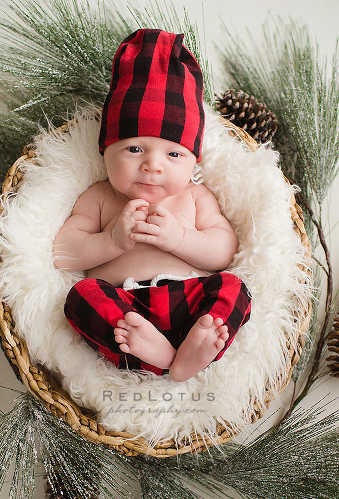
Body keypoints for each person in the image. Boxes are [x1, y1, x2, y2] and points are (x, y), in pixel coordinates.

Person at [54, 28, 251, 382]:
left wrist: (180, 239)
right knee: (80, 297)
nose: (152, 165)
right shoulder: (100, 197)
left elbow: (225, 251)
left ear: (193, 161)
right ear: (106, 151)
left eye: (173, 153)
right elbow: (64, 253)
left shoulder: (193, 196)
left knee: (234, 288)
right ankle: (164, 358)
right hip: (126, 313)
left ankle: (196, 347)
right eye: (134, 149)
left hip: (192, 306)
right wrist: (111, 240)